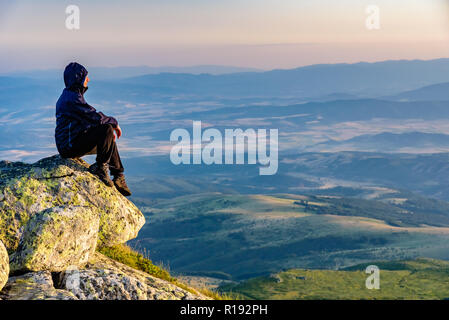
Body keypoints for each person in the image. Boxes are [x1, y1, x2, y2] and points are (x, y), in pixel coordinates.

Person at [55, 62, 131, 196]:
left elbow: (87, 120)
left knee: (108, 137)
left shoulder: (73, 96)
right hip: (69, 146)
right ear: (78, 79)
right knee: (106, 128)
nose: (88, 80)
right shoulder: (71, 99)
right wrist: (114, 123)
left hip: (74, 141)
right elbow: (94, 117)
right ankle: (101, 168)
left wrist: (107, 137)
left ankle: (118, 176)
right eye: (86, 77)